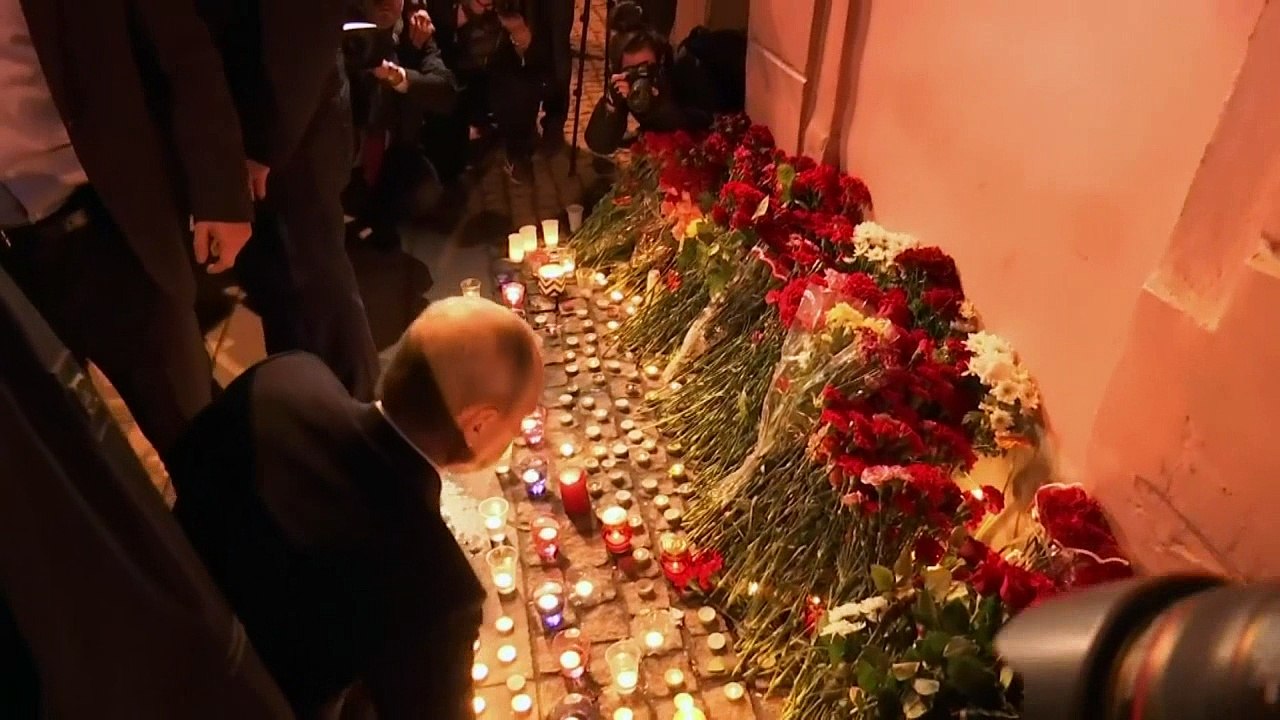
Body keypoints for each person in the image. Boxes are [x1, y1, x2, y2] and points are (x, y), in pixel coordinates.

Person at [167, 297, 545, 719]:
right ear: (479, 423)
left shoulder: (285, 376)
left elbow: (188, 465)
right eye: (520, 420)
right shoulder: (437, 590)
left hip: (154, 612)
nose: (519, 433)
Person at [0, 0, 254, 457]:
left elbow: (183, 52)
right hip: (10, 266)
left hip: (109, 229)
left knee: (195, 433)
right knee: (62, 457)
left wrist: (220, 192)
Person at [197, 0, 383, 402]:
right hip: (267, 123)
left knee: (313, 283)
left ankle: (355, 419)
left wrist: (265, 145)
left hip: (288, 128)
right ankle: (314, 411)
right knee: (284, 288)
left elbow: (302, 28)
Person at [351, 1, 461, 246]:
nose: (384, 3)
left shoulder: (411, 31)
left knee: (425, 191)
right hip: (345, 153)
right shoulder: (342, 28)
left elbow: (446, 91)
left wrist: (400, 78)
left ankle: (375, 216)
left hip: (392, 151)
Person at [433, 0, 551, 184]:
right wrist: (461, 18)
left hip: (497, 72)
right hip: (456, 73)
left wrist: (520, 34)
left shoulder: (515, 6)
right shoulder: (443, 8)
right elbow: (434, 51)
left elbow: (536, 59)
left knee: (525, 84)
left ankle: (517, 152)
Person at [584, 26, 716, 155]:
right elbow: (600, 145)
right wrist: (611, 105)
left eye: (647, 69)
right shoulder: (628, 84)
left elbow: (700, 126)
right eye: (633, 71)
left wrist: (658, 106)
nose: (641, 78)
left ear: (661, 63)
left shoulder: (683, 69)